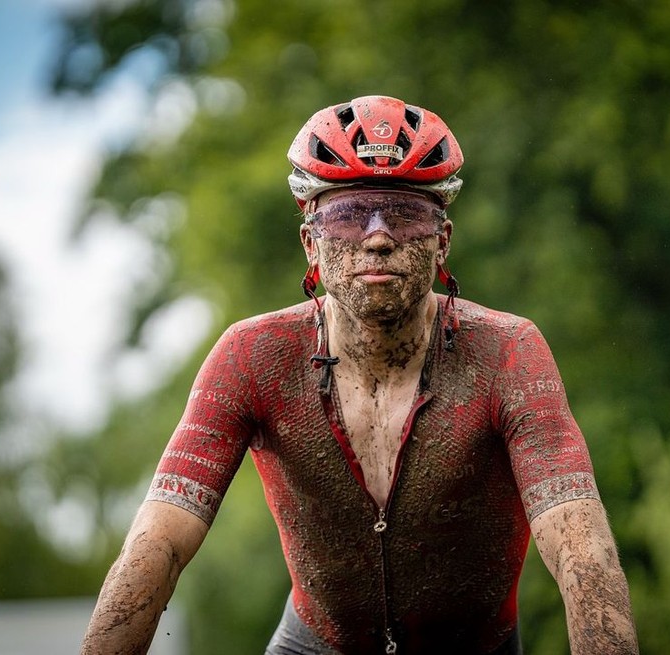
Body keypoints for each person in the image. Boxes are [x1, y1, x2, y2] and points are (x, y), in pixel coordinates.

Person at [81, 95, 638, 654]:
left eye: (405, 214)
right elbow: (158, 545)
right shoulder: (250, 357)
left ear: (442, 240)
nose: (377, 237)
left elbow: (580, 551)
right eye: (348, 216)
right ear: (311, 244)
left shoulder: (509, 353)